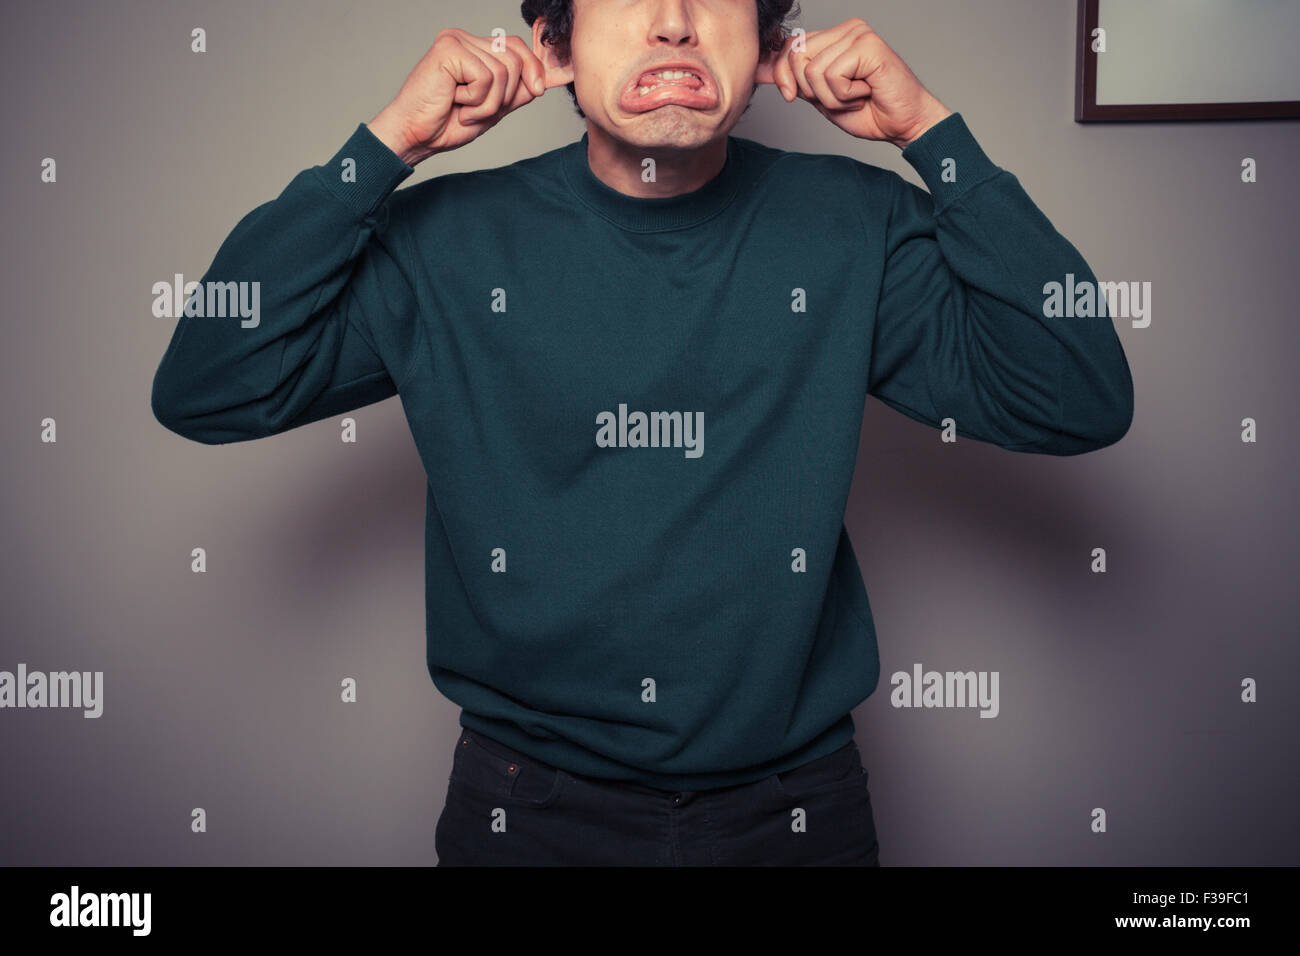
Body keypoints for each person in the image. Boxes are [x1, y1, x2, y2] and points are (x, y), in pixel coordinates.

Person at [150, 0, 1134, 866]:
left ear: (766, 45)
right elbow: (211, 384)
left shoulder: (853, 224)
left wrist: (930, 133)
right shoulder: (442, 239)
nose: (673, 17)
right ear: (556, 40)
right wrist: (380, 151)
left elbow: (1073, 393)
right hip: (527, 810)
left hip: (797, 809)